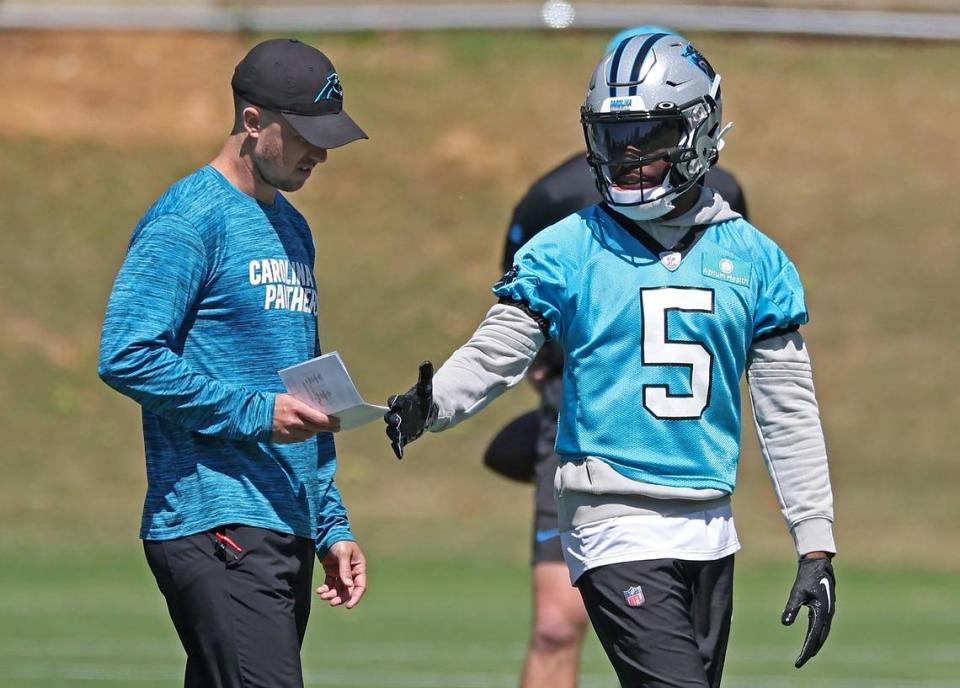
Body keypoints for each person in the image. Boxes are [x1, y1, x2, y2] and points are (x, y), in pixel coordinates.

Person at [385, 32, 836, 688]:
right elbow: (497, 352)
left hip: (711, 528)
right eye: (614, 137)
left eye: (649, 135)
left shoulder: (758, 260)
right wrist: (434, 402)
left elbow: (787, 408)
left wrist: (815, 542)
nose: (628, 156)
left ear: (700, 130)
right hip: (613, 521)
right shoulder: (566, 249)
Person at [484, 26, 751, 688]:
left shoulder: (726, 194)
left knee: (682, 650)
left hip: (675, 445)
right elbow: (518, 318)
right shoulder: (554, 202)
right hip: (576, 428)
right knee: (555, 623)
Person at [98, 38, 368, 688]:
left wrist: (330, 522)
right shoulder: (188, 219)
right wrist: (257, 412)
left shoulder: (294, 229)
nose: (320, 154)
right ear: (252, 122)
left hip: (283, 520)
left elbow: (305, 385)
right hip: (214, 518)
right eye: (306, 134)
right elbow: (125, 354)